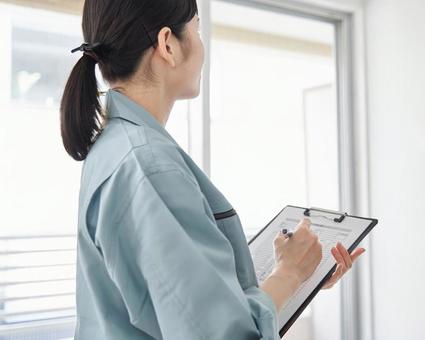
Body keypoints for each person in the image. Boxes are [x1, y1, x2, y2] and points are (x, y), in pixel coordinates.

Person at [60, 0, 366, 339]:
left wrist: (296, 275)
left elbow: (179, 308)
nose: (202, 45)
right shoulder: (148, 167)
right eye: (197, 29)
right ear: (167, 45)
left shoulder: (116, 146)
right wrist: (290, 273)